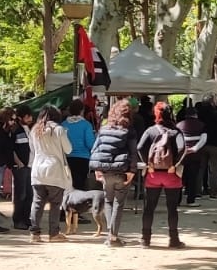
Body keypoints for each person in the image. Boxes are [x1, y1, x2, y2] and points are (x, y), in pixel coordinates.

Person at [137, 102, 186, 248]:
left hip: (153, 174)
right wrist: (174, 165)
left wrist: (148, 163)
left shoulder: (150, 131)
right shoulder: (175, 131)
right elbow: (183, 148)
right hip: (171, 174)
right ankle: (174, 239)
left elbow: (140, 147)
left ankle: (145, 239)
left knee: (149, 207)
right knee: (172, 208)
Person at [89, 102, 138, 247]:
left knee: (109, 201)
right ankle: (113, 236)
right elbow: (133, 152)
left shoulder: (103, 129)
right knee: (119, 203)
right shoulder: (129, 130)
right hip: (121, 171)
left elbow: (95, 150)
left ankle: (110, 236)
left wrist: (97, 170)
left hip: (105, 171)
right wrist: (132, 171)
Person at [28, 105, 71, 244]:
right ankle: (54, 233)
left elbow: (32, 150)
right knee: (55, 203)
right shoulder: (59, 130)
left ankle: (34, 233)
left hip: (37, 170)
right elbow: (68, 149)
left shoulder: (34, 130)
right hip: (54, 170)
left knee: (37, 202)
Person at [176, 107, 208, 207]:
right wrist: (194, 149)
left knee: (179, 178)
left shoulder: (179, 125)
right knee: (193, 178)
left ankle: (177, 200)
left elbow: (177, 139)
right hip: (195, 156)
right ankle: (191, 200)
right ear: (195, 114)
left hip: (181, 156)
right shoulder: (202, 125)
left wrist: (182, 150)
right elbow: (204, 139)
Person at [62, 99, 96, 191]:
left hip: (66, 159)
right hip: (83, 159)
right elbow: (90, 144)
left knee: (68, 187)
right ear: (82, 111)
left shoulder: (63, 125)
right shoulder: (86, 125)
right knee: (80, 186)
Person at [11, 105, 34, 231]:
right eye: (27, 116)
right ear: (21, 117)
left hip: (30, 165)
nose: (30, 118)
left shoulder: (29, 129)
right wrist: (18, 162)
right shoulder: (16, 130)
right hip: (21, 166)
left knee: (29, 194)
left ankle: (26, 218)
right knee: (21, 194)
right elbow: (12, 148)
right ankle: (18, 219)